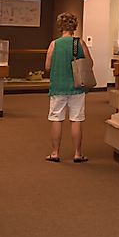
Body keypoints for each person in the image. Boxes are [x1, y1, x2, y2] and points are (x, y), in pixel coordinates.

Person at [44, 12, 90, 163]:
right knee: (76, 119)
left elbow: (48, 66)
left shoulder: (54, 44)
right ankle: (77, 153)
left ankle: (55, 152)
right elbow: (89, 64)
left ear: (60, 26)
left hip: (58, 86)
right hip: (77, 87)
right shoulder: (79, 43)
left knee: (56, 119)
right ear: (74, 26)